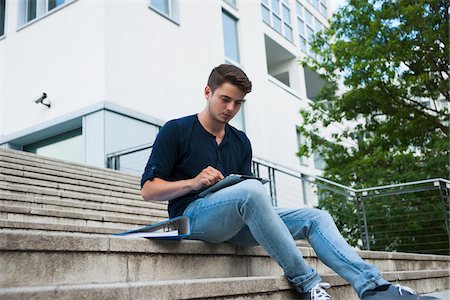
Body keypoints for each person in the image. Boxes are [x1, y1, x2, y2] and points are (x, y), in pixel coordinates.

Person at [140, 64, 437, 300]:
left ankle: (373, 287)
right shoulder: (176, 130)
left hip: (235, 221)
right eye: (225, 99)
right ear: (207, 92)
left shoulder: (240, 141)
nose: (230, 108)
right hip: (191, 217)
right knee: (251, 191)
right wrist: (193, 182)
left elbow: (244, 189)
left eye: (238, 103)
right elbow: (148, 191)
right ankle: (307, 283)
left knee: (315, 217)